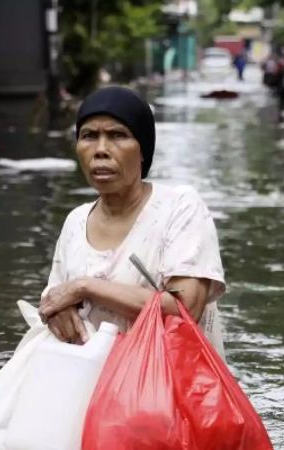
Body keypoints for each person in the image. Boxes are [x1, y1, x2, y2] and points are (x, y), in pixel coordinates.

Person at [37, 86, 227, 357]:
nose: (101, 150)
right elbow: (54, 298)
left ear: (142, 150)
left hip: (168, 387)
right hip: (95, 387)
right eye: (89, 136)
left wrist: (86, 286)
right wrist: (57, 313)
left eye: (118, 135)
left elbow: (185, 310)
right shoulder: (76, 222)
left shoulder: (180, 208)